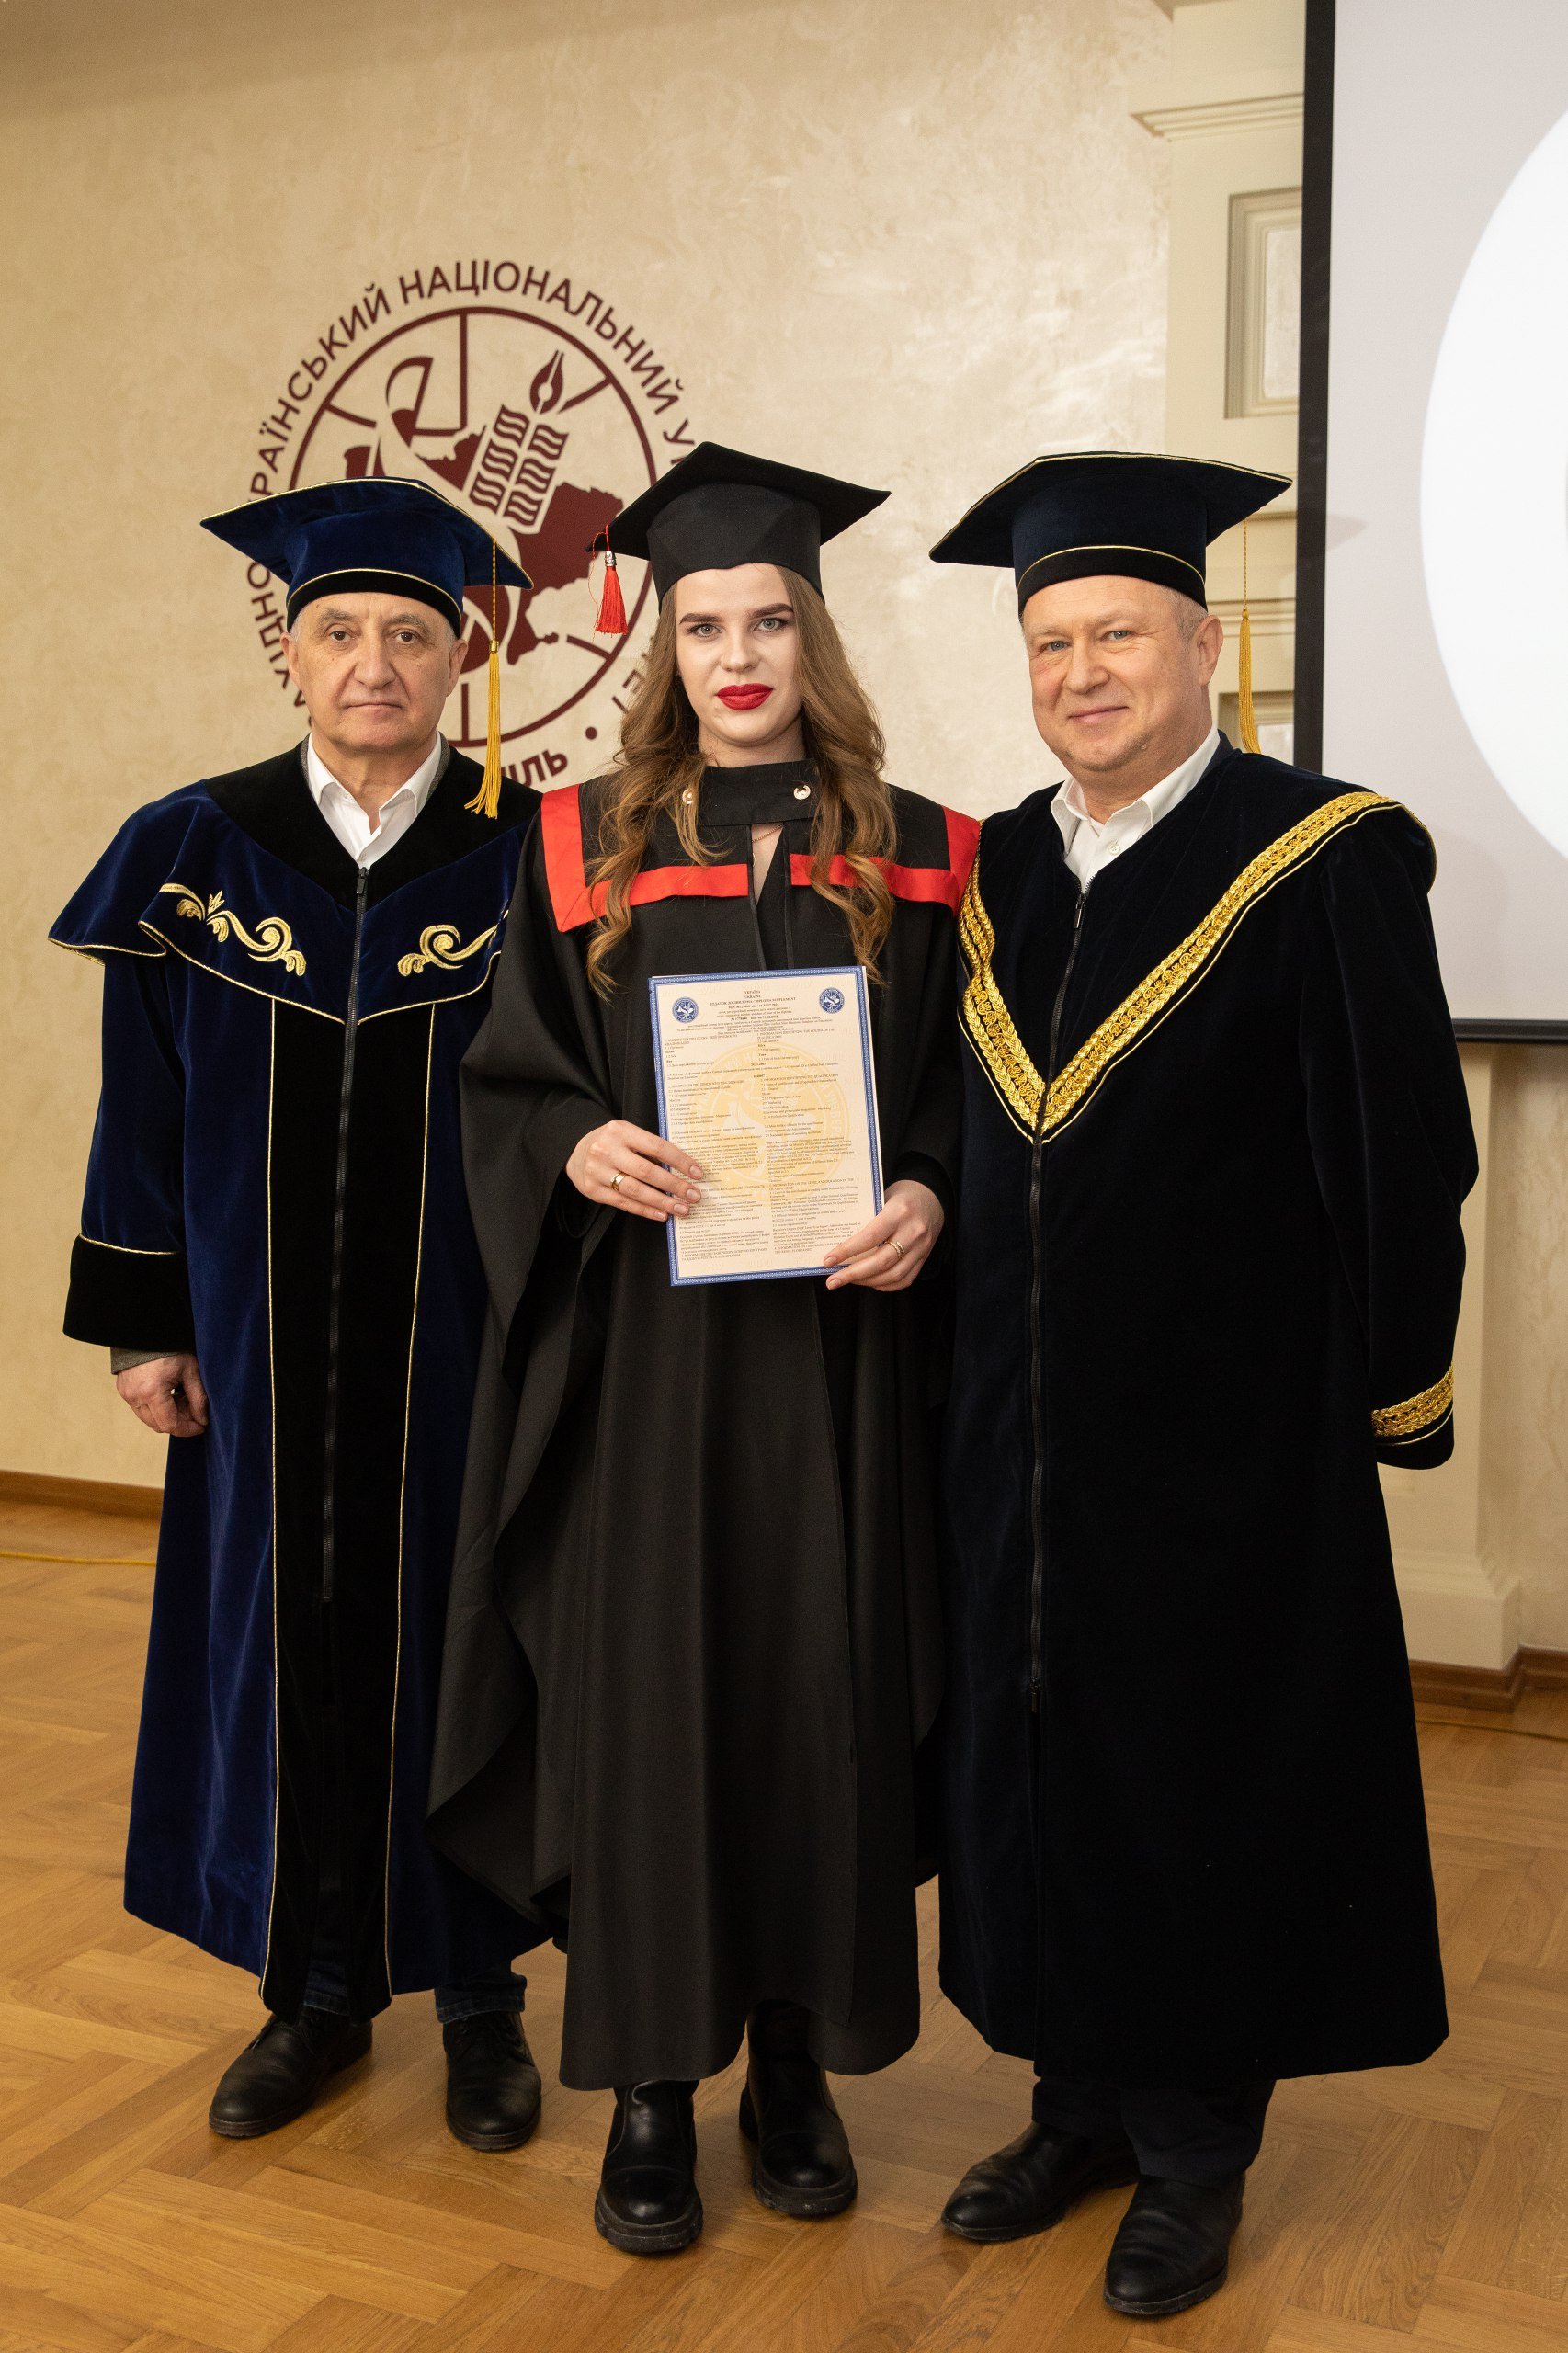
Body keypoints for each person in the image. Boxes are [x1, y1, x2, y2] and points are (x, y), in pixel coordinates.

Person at [926, 451, 1477, 2321]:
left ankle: (1189, 2151)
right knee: (1033, 1756)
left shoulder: (1319, 852)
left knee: (1192, 1774)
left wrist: (1390, 1392)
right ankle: (1072, 2103)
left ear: (1204, 645)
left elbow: (1399, 1147)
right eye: (1050, 643)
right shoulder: (996, 865)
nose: (1081, 672)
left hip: (1225, 1436)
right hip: (1013, 1426)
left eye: (1117, 636)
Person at [428, 442, 978, 2254]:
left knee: (819, 1694)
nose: (737, 656)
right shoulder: (578, 847)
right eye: (702, 626)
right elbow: (509, 1084)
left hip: (838, 1356)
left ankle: (798, 2063)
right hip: (650, 1364)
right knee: (656, 1699)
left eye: (769, 621)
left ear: (815, 634)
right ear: (662, 646)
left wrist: (931, 1195)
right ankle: (653, 2081)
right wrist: (575, 1145)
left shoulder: (925, 855)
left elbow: (973, 1099)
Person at [51, 478, 549, 2151]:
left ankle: (478, 1994)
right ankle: (312, 1988)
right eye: (340, 632)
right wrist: (145, 1322)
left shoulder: (534, 854)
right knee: (278, 1649)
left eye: (411, 634)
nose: (374, 665)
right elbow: (140, 1108)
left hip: (468, 1341)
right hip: (255, 1349)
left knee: (468, 1645)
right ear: (291, 654)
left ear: (461, 655)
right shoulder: (196, 850)